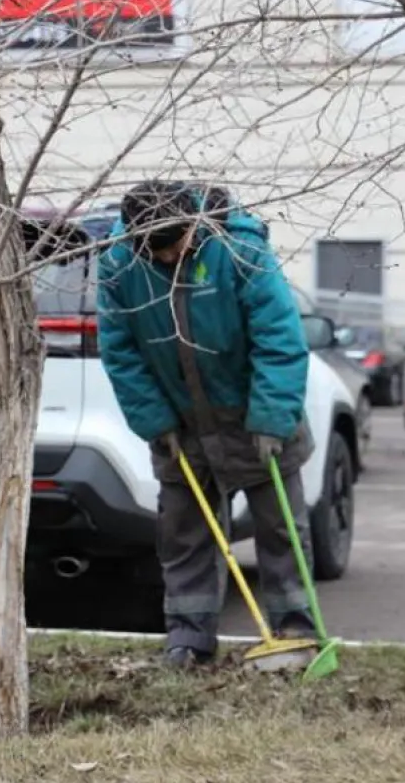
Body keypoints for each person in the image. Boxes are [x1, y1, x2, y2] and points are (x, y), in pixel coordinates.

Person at [96, 180, 318, 667]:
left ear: (192, 227)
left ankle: (296, 629)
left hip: (253, 418)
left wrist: (272, 417)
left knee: (280, 530)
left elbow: (278, 335)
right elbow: (120, 350)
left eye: (175, 247)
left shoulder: (240, 250)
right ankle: (189, 638)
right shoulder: (118, 263)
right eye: (155, 251)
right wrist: (155, 420)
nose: (168, 259)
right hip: (182, 425)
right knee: (184, 534)